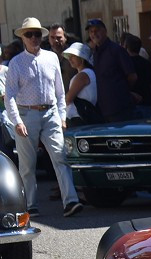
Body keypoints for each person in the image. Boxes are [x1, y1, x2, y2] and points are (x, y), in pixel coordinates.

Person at [4, 17, 82, 217]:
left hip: (50, 113)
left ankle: (71, 201)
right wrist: (17, 121)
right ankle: (30, 204)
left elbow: (59, 90)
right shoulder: (16, 63)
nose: (34, 38)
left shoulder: (51, 58)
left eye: (37, 34)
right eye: (29, 34)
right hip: (26, 113)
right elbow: (10, 95)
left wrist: (62, 116)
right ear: (23, 37)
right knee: (28, 165)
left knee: (61, 157)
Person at [86, 17, 136, 122]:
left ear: (105, 31)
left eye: (97, 30)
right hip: (103, 110)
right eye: (91, 31)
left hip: (120, 109)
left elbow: (132, 76)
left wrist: (121, 90)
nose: (94, 34)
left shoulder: (116, 50)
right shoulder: (95, 53)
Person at [63, 42, 98, 126]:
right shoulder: (88, 73)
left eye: (73, 56)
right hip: (82, 116)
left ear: (82, 58)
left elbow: (68, 99)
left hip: (78, 118)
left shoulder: (83, 75)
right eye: (69, 56)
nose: (70, 59)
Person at [122, 34, 151, 116]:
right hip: (147, 103)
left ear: (126, 47)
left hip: (131, 105)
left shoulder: (124, 65)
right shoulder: (147, 63)